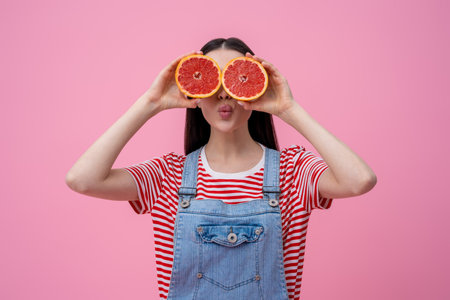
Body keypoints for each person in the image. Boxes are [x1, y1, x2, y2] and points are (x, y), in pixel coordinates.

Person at [65, 37, 377, 300]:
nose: (224, 93)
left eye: (236, 77)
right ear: (195, 95)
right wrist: (151, 102)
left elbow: (359, 180)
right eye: (212, 79)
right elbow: (82, 179)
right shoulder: (167, 176)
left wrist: (288, 109)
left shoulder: (292, 171)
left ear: (254, 87)